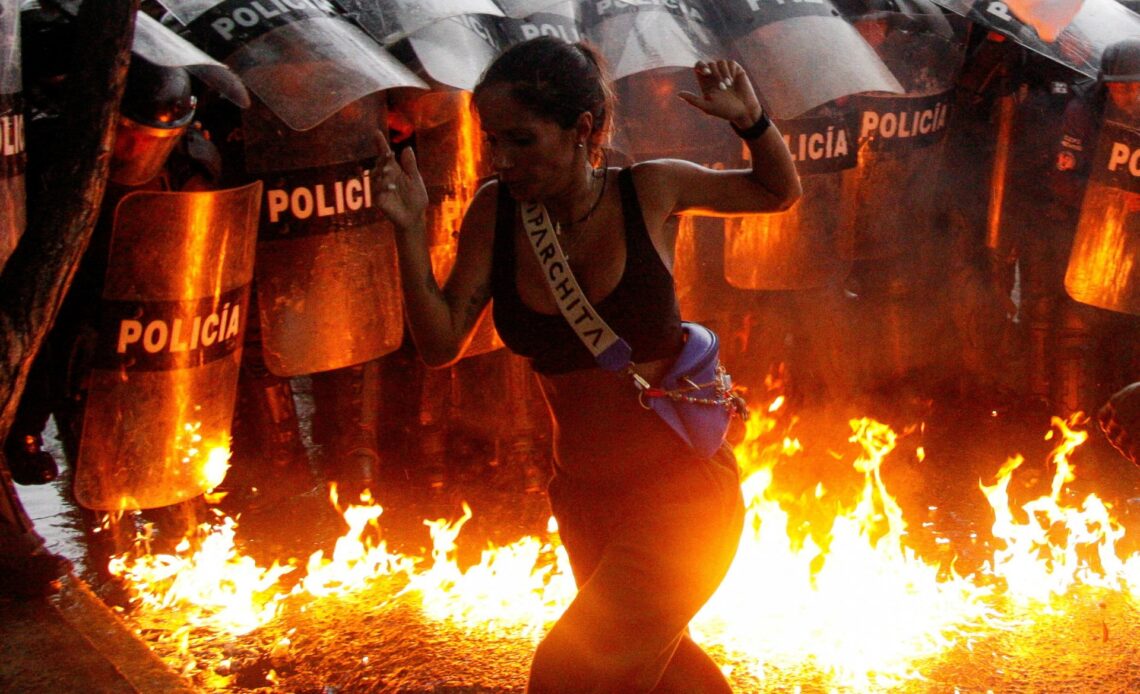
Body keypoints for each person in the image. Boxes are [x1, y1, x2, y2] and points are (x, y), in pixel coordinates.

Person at [376, 36, 800, 692]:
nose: (501, 159)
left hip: (683, 498)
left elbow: (775, 193)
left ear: (580, 130)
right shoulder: (496, 210)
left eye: (521, 140)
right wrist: (406, 230)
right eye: (492, 140)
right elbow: (441, 344)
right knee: (662, 675)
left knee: (568, 672)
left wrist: (752, 121)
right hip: (584, 501)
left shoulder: (650, 190)